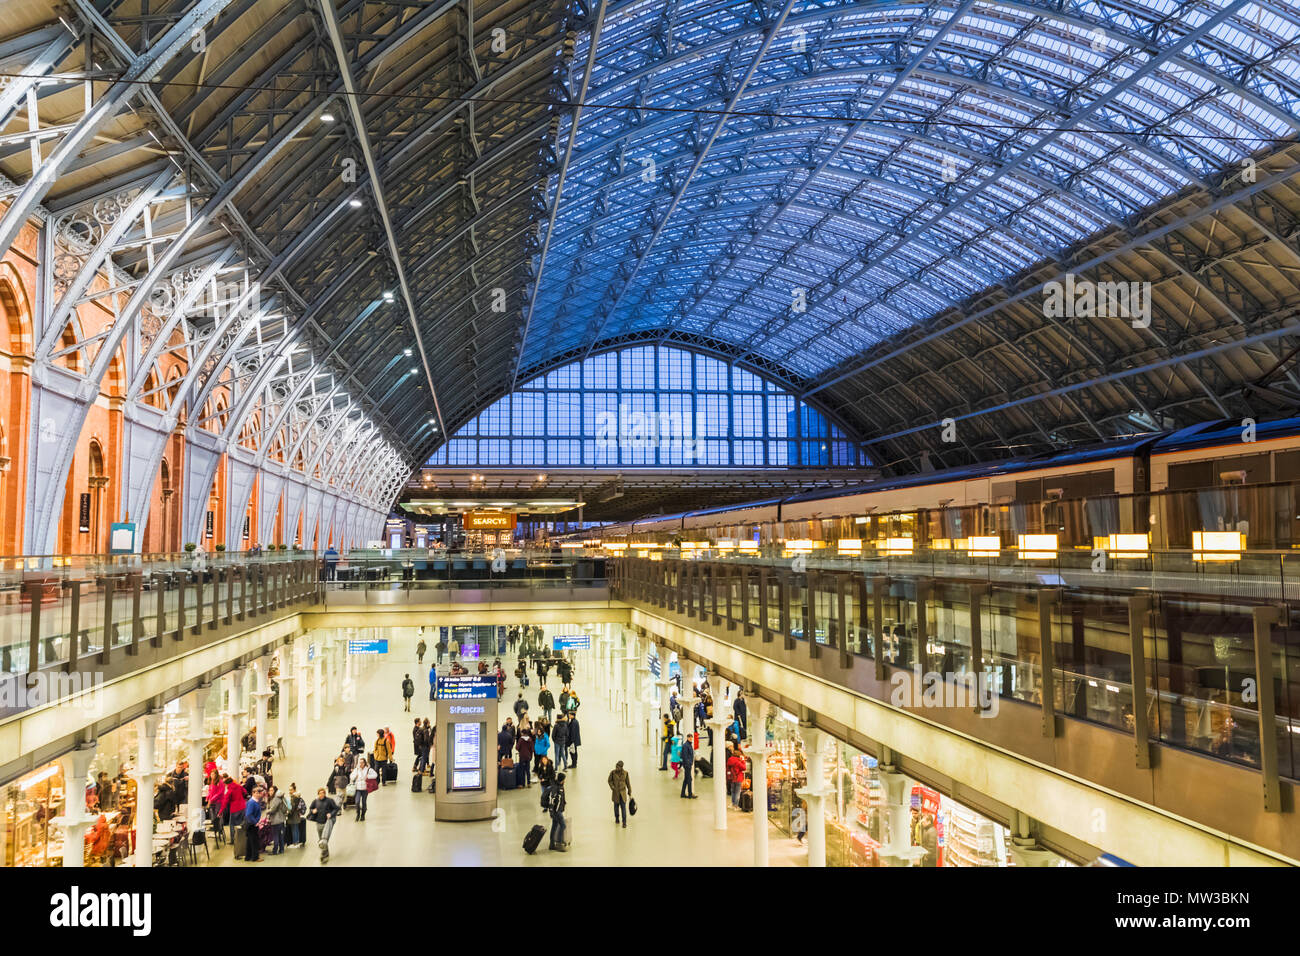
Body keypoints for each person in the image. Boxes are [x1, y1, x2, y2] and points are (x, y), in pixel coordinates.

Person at [307, 788, 339, 863]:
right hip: (318, 823)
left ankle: (324, 855)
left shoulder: (329, 801)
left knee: (325, 839)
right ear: (318, 794)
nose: (321, 794)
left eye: (323, 793)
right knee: (322, 840)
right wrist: (312, 811)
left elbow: (336, 808)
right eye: (320, 793)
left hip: (326, 823)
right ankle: (326, 852)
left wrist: (331, 814)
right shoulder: (315, 801)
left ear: (325, 793)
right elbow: (311, 808)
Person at [547, 772, 568, 851]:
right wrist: (551, 811)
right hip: (556, 811)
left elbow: (560, 798)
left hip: (558, 810)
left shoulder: (560, 786)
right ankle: (559, 843)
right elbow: (552, 799)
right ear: (562, 780)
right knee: (563, 826)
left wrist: (564, 803)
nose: (565, 781)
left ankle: (552, 844)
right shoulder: (556, 787)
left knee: (554, 826)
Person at [264, 785, 288, 854]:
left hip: (276, 820)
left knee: (276, 836)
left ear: (275, 791)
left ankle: (275, 850)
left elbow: (273, 809)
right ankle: (281, 849)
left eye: (272, 790)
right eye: (269, 790)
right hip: (280, 819)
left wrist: (267, 811)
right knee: (280, 836)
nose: (270, 792)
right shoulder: (278, 798)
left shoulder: (275, 799)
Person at [242, 786, 264, 862]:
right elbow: (248, 814)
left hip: (251, 824)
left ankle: (248, 857)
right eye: (257, 792)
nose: (259, 794)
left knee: (250, 841)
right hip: (252, 825)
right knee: (254, 841)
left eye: (260, 792)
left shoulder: (255, 801)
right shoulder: (252, 802)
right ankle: (255, 857)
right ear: (253, 793)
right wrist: (255, 822)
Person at [607, 760, 632, 828]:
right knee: (616, 808)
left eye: (618, 767)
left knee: (623, 808)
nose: (616, 768)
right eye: (616, 766)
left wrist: (629, 791)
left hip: (622, 794)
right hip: (616, 793)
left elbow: (628, 783)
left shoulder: (625, 773)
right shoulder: (612, 773)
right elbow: (609, 780)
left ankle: (624, 822)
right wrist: (612, 786)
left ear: (621, 767)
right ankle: (617, 818)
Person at [286, 783, 307, 848]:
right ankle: (297, 841)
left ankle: (295, 843)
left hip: (293, 816)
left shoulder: (294, 798)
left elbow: (292, 808)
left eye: (291, 790)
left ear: (294, 790)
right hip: (297, 816)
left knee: (294, 829)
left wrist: (287, 813)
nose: (290, 791)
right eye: (289, 790)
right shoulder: (297, 797)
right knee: (296, 829)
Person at [515, 721, 534, 787]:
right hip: (528, 757)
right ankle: (528, 783)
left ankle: (522, 784)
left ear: (522, 733)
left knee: (522, 770)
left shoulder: (520, 740)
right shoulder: (530, 739)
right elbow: (532, 749)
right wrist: (531, 756)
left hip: (522, 757)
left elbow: (517, 748)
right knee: (528, 770)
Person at [680, 734, 696, 798]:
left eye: (691, 738)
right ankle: (690, 794)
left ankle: (683, 794)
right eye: (689, 737)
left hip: (688, 764)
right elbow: (685, 756)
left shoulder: (689, 745)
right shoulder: (686, 745)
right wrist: (688, 764)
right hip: (687, 765)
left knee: (686, 779)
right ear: (687, 738)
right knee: (689, 779)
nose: (690, 739)